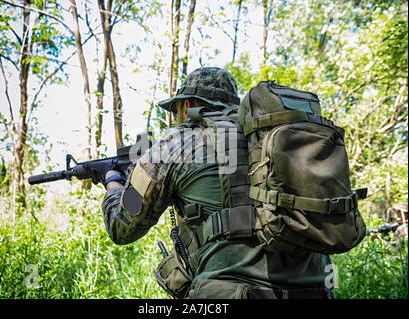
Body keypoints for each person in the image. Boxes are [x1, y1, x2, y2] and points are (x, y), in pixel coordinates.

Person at [101, 67, 334, 299]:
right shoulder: (275, 140)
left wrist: (112, 182)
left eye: (176, 109)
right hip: (316, 291)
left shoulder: (175, 145)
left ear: (188, 104)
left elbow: (122, 227)